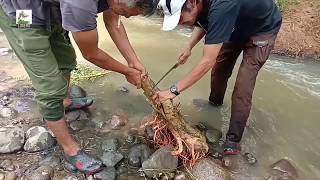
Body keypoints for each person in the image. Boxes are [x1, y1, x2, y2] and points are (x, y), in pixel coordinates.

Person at [0, 0, 157, 175]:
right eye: (128, 12)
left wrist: (133, 61)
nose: (127, 16)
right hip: (23, 13)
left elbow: (114, 23)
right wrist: (127, 72)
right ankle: (70, 149)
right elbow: (91, 54)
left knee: (66, 59)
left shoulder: (116, 3)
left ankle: (65, 102)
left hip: (51, 10)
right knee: (50, 87)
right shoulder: (81, 3)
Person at [155, 0, 282, 155]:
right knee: (219, 70)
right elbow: (205, 22)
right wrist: (189, 47)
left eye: (180, 17)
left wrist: (173, 91)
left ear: (192, 2)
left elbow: (207, 61)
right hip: (234, 25)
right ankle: (215, 104)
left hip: (262, 28)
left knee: (243, 84)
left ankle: (233, 140)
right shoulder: (202, 6)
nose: (180, 23)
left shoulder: (222, 6)